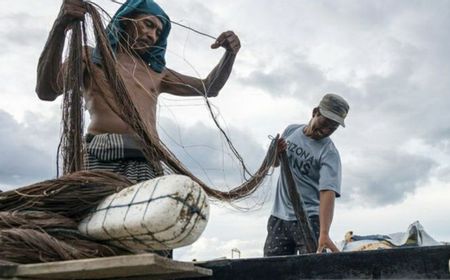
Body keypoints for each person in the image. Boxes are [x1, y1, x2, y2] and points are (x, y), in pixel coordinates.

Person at [35, 0, 240, 183]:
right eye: (148, 24)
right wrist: (60, 27)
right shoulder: (93, 57)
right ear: (126, 19)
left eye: (158, 32)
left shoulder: (157, 74)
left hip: (147, 160)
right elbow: (47, 91)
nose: (152, 35)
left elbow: (209, 88)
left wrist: (230, 54)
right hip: (102, 156)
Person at [263, 93, 349, 256]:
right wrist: (276, 151)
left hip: (309, 220)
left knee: (311, 270)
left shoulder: (329, 153)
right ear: (315, 112)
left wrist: (324, 233)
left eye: (333, 128)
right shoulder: (291, 130)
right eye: (325, 123)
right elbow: (274, 163)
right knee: (271, 269)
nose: (325, 131)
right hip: (279, 217)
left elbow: (327, 192)